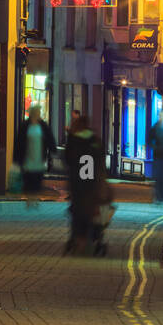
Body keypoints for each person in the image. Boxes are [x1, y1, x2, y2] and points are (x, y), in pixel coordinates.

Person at [64, 114, 110, 255]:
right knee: (92, 210)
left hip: (77, 182)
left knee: (77, 210)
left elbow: (68, 160)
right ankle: (94, 236)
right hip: (92, 182)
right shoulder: (95, 140)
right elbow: (101, 161)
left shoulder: (73, 140)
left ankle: (79, 239)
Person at [13, 105, 57, 206]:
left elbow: (50, 138)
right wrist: (16, 158)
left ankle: (34, 197)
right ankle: (30, 198)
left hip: (39, 156)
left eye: (39, 112)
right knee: (28, 178)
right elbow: (18, 142)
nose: (38, 114)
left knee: (37, 177)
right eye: (37, 112)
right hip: (27, 156)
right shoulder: (25, 125)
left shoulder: (43, 125)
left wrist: (53, 149)